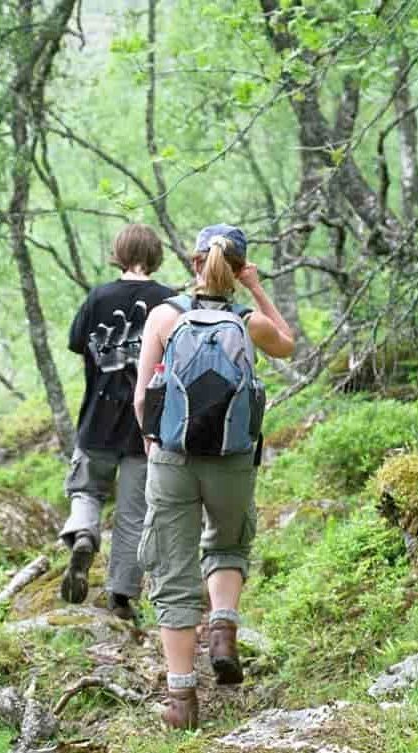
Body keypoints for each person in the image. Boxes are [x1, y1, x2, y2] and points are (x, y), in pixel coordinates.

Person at [133, 224, 295, 729]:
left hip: (172, 460)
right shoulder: (247, 322)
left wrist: (153, 445)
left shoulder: (165, 315)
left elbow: (142, 396)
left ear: (194, 262)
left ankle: (182, 703)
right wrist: (256, 287)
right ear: (237, 266)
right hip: (231, 459)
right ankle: (223, 627)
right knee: (227, 544)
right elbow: (287, 345)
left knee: (173, 573)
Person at [60, 223, 177, 622]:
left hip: (97, 418)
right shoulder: (170, 302)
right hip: (145, 426)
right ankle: (121, 596)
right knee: (133, 512)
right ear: (156, 254)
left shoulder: (98, 298)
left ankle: (84, 535)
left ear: (119, 253)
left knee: (86, 490)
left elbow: (80, 345)